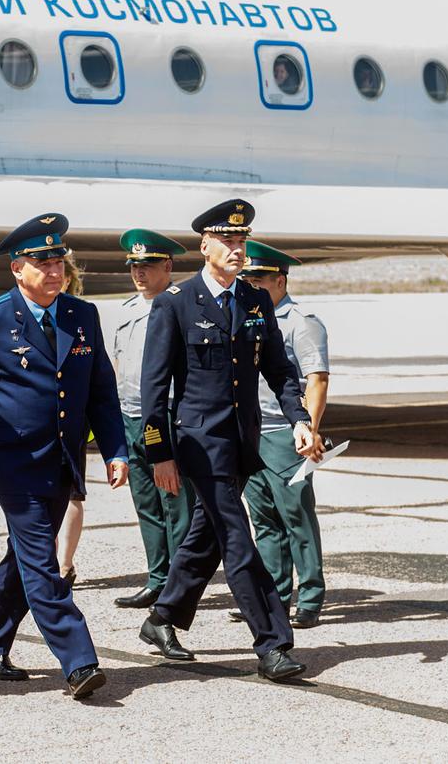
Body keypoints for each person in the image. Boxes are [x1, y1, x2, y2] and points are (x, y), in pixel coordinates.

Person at [0, 213, 129, 701]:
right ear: (18, 268)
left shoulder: (82, 315)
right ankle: (79, 660)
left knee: (21, 559)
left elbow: (100, 390)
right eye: (43, 262)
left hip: (62, 459)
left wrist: (115, 450)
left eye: (59, 260)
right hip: (13, 462)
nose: (55, 270)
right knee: (41, 560)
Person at [137, 199, 323, 682]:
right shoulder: (175, 304)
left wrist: (300, 418)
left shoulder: (255, 300)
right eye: (228, 241)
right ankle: (273, 644)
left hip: (242, 442)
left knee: (207, 536)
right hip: (198, 444)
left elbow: (280, 371)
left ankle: (162, 619)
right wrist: (159, 452)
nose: (238, 249)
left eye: (242, 241)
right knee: (238, 540)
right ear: (205, 247)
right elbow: (155, 388)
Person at [239, 241, 330, 628]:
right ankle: (275, 594)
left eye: (258, 278)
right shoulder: (248, 317)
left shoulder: (300, 321)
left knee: (296, 516)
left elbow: (317, 380)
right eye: (247, 278)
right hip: (251, 431)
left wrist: (308, 428)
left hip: (284, 432)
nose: (251, 285)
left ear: (279, 280)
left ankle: (310, 594)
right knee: (263, 519)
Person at [111, 229, 197, 610]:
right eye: (134, 265)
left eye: (147, 265)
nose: (139, 272)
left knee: (175, 502)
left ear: (168, 265)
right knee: (146, 501)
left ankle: (180, 584)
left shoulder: (181, 305)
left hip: (165, 415)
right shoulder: (128, 309)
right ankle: (158, 578)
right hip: (130, 414)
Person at [57, 252, 86, 587]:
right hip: (37, 428)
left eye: (61, 271)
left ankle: (64, 564)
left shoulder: (82, 316)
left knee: (73, 495)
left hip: (73, 424)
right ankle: (45, 562)